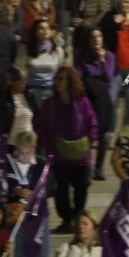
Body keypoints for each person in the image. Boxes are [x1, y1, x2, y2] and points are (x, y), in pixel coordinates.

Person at [34, 67, 98, 234]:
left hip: (80, 154)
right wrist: (49, 147)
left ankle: (77, 217)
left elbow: (92, 121)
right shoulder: (51, 104)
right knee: (60, 189)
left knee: (81, 187)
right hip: (59, 155)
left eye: (62, 79)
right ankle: (66, 219)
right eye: (57, 78)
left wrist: (91, 139)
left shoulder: (82, 101)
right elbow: (42, 126)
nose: (58, 82)